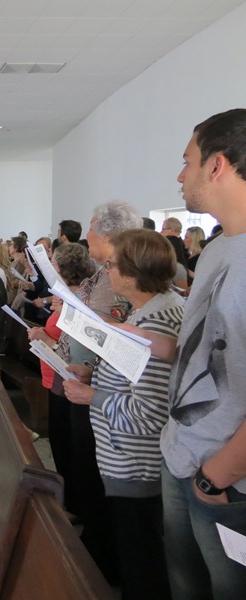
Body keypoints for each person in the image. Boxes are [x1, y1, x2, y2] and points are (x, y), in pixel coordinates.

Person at [64, 230, 183, 600]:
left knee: (142, 569)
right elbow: (130, 376)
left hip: (136, 464)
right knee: (132, 556)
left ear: (131, 276)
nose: (106, 269)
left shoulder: (156, 323)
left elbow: (149, 413)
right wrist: (92, 372)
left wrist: (92, 396)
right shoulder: (148, 311)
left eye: (112, 265)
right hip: (126, 462)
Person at [161, 108, 246, 600]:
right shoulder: (217, 249)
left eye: (187, 160)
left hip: (225, 477)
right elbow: (207, 349)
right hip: (184, 452)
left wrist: (218, 478)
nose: (180, 174)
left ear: (217, 165)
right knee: (185, 582)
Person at [27, 242, 95, 517]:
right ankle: (68, 496)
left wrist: (44, 336)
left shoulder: (80, 300)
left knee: (68, 443)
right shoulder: (66, 295)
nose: (51, 268)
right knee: (60, 439)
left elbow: (71, 347)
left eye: (54, 264)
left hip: (66, 376)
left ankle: (74, 503)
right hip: (54, 375)